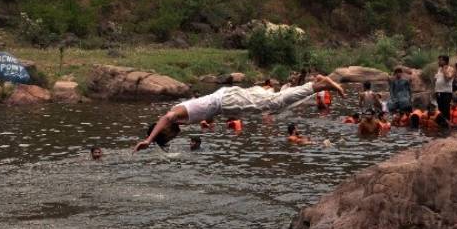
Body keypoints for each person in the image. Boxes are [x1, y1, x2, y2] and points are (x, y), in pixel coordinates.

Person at [134, 75, 344, 152]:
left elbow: (165, 118)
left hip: (227, 101)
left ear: (165, 131)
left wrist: (149, 140)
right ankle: (315, 84)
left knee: (274, 103)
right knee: (276, 105)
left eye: (168, 137)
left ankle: (318, 85)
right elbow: (206, 111)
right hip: (227, 103)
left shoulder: (174, 114)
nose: (173, 137)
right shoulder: (181, 119)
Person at [434, 55, 454, 120]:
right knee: (440, 109)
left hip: (446, 93)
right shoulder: (439, 69)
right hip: (438, 92)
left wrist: (444, 70)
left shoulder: (451, 69)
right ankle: (442, 123)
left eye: (440, 60)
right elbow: (436, 79)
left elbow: (448, 78)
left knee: (446, 109)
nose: (438, 62)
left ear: (445, 61)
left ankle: (447, 123)